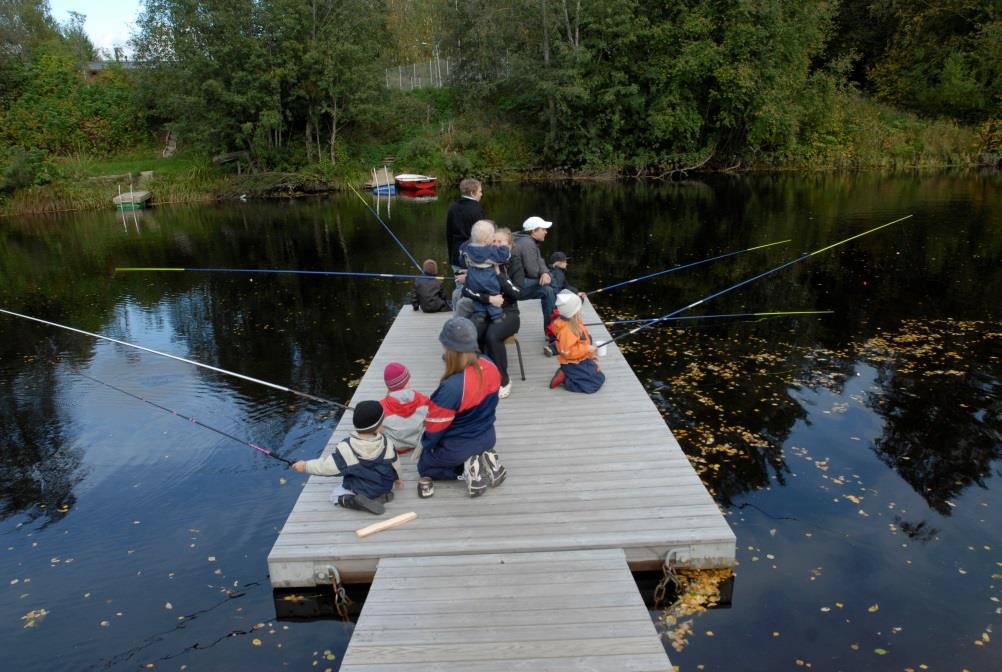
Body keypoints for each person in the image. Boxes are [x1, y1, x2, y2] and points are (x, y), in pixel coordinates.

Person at [419, 317, 507, 497]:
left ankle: (465, 469)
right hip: (488, 436)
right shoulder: (490, 365)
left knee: (425, 466)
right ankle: (486, 459)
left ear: (450, 349)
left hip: (460, 446)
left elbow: (435, 429)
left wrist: (427, 444)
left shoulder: (451, 387)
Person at [291, 400, 402, 514]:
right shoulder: (387, 443)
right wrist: (398, 479)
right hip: (384, 487)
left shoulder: (347, 448)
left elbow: (326, 467)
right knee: (380, 481)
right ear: (377, 427)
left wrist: (305, 466)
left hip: (362, 490)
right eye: (382, 421)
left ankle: (353, 501)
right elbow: (395, 464)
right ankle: (381, 496)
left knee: (334, 495)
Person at [462, 227, 523, 399]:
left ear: (509, 246)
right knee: (469, 330)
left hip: (509, 312)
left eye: (500, 242)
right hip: (484, 308)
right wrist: (489, 299)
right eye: (493, 241)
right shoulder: (479, 261)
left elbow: (519, 293)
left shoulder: (514, 262)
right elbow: (467, 290)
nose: (495, 245)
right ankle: (478, 375)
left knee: (492, 335)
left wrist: (499, 276)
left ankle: (503, 380)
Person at [512, 215, 557, 351]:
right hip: (515, 286)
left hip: (516, 282)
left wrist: (544, 272)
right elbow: (532, 271)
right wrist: (545, 274)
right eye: (543, 229)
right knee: (549, 287)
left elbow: (540, 260)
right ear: (534, 231)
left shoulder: (525, 239)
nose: (546, 232)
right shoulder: (527, 244)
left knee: (549, 286)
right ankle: (552, 331)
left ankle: (552, 329)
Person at [549, 291, 606, 394]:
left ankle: (570, 374)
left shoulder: (576, 322)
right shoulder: (566, 331)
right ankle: (565, 378)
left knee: (600, 377)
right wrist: (586, 349)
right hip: (572, 362)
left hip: (581, 358)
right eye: (579, 308)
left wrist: (591, 356)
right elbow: (567, 352)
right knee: (592, 386)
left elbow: (583, 341)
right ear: (573, 312)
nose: (580, 310)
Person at [459, 220, 509, 323]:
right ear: (486, 240)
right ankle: (497, 315)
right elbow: (502, 257)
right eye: (492, 236)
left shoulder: (468, 248)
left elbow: (461, 259)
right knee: (493, 293)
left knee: (478, 295)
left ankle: (480, 314)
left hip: (473, 279)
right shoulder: (490, 251)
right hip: (488, 280)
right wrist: (504, 247)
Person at [445, 178, 484, 306]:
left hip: (456, 254)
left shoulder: (452, 207)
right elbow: (481, 236)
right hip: (472, 255)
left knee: (459, 286)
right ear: (472, 193)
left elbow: (448, 234)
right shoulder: (477, 210)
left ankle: (457, 314)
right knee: (473, 286)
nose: (481, 194)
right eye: (480, 191)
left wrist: (451, 257)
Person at [379, 362, 431, 452]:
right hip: (418, 441)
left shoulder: (381, 407)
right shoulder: (423, 399)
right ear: (406, 382)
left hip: (396, 447)